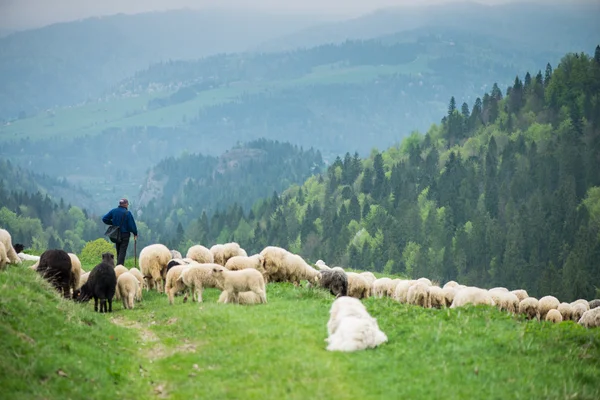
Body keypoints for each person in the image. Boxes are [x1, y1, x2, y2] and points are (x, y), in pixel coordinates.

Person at [102, 198, 138, 266]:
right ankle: (120, 266)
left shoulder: (113, 211)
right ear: (126, 204)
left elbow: (104, 219)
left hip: (116, 234)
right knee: (122, 251)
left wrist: (112, 223)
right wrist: (135, 233)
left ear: (120, 204)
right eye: (127, 204)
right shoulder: (127, 213)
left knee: (118, 250)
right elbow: (132, 225)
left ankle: (118, 266)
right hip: (125, 235)